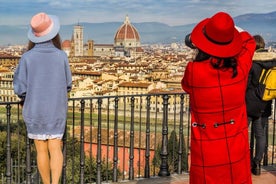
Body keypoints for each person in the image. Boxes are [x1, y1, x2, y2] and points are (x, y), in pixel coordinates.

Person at [181, 12, 256, 183]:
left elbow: (185, 86)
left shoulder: (193, 71)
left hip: (206, 148)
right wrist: (231, 31)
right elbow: (249, 42)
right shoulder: (240, 69)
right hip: (235, 145)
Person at [13, 12, 72, 184]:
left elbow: (20, 88)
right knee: (55, 148)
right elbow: (68, 84)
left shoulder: (27, 57)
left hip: (34, 109)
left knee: (40, 150)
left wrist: (27, 97)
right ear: (54, 33)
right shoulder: (62, 56)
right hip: (56, 108)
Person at [246, 35, 276, 175]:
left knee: (242, 134)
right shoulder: (273, 62)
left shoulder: (252, 62)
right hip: (265, 103)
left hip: (249, 103)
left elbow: (246, 84)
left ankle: (243, 160)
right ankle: (257, 163)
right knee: (261, 135)